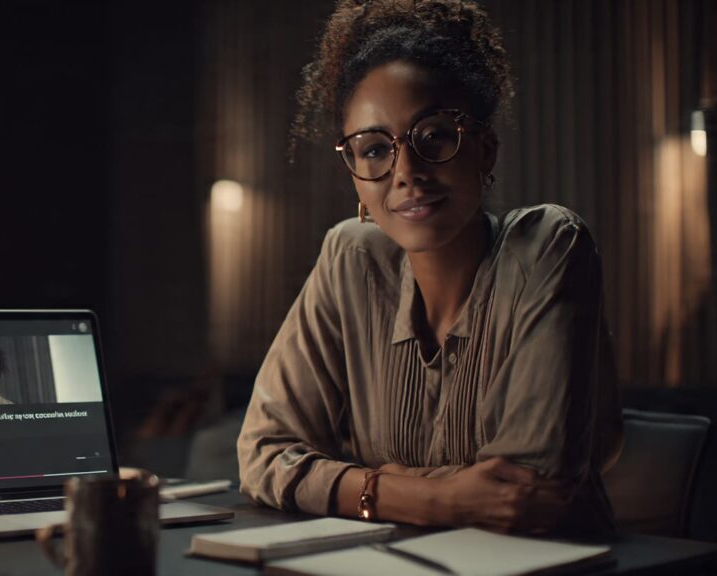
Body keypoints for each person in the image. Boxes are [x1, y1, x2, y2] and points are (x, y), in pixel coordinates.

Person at [237, 0, 622, 536]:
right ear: (354, 175)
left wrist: (363, 484)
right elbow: (263, 454)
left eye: (435, 135)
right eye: (374, 149)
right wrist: (432, 498)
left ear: (484, 149)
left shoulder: (549, 246)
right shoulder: (350, 259)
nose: (406, 172)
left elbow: (525, 495)